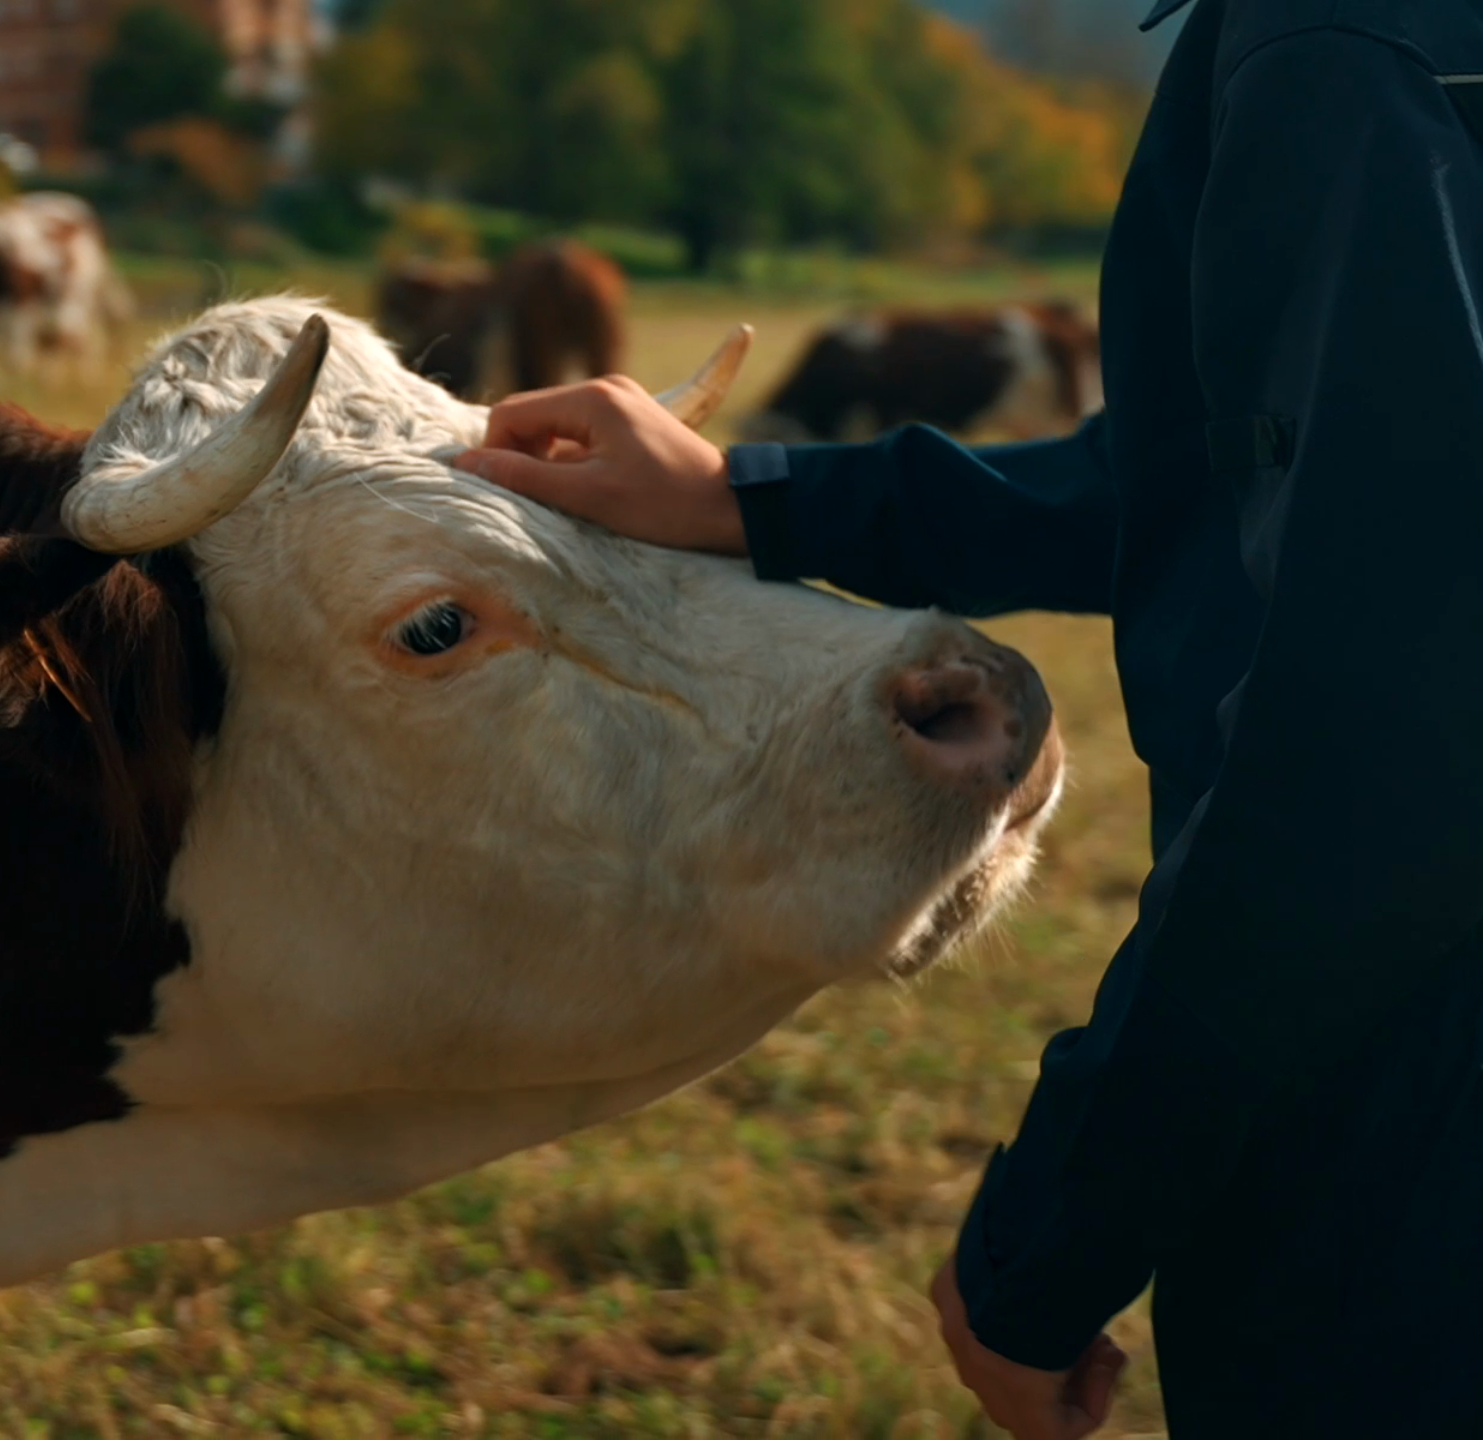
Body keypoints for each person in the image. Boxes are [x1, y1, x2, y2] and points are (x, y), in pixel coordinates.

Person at [450, 2, 1483, 1436]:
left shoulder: (1330, 53)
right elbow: (1243, 474)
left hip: (1410, 1155)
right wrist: (760, 497)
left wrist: (1045, 1246)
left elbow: (1376, 758)